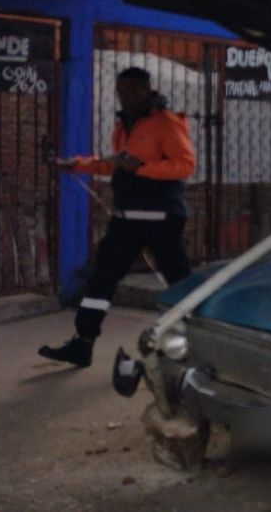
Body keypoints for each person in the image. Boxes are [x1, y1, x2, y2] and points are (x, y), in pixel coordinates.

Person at [40, 67, 196, 368]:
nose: (127, 97)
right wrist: (75, 165)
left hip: (162, 219)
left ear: (148, 90)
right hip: (127, 220)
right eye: (122, 91)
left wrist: (140, 168)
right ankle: (82, 344)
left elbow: (184, 165)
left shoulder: (166, 122)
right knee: (101, 279)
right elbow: (116, 164)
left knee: (179, 284)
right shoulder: (125, 125)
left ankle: (196, 345)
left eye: (134, 91)